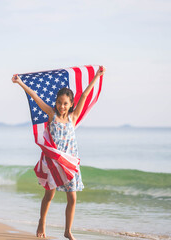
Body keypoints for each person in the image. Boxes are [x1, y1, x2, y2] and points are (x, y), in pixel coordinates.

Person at [12, 66, 105, 240]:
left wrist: (97, 76)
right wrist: (20, 83)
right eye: (59, 103)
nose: (62, 106)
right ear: (56, 102)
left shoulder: (73, 117)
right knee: (49, 195)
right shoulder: (51, 114)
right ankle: (42, 222)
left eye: (65, 103)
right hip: (54, 162)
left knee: (73, 198)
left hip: (69, 162)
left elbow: (84, 95)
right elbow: (35, 96)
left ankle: (68, 230)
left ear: (71, 105)